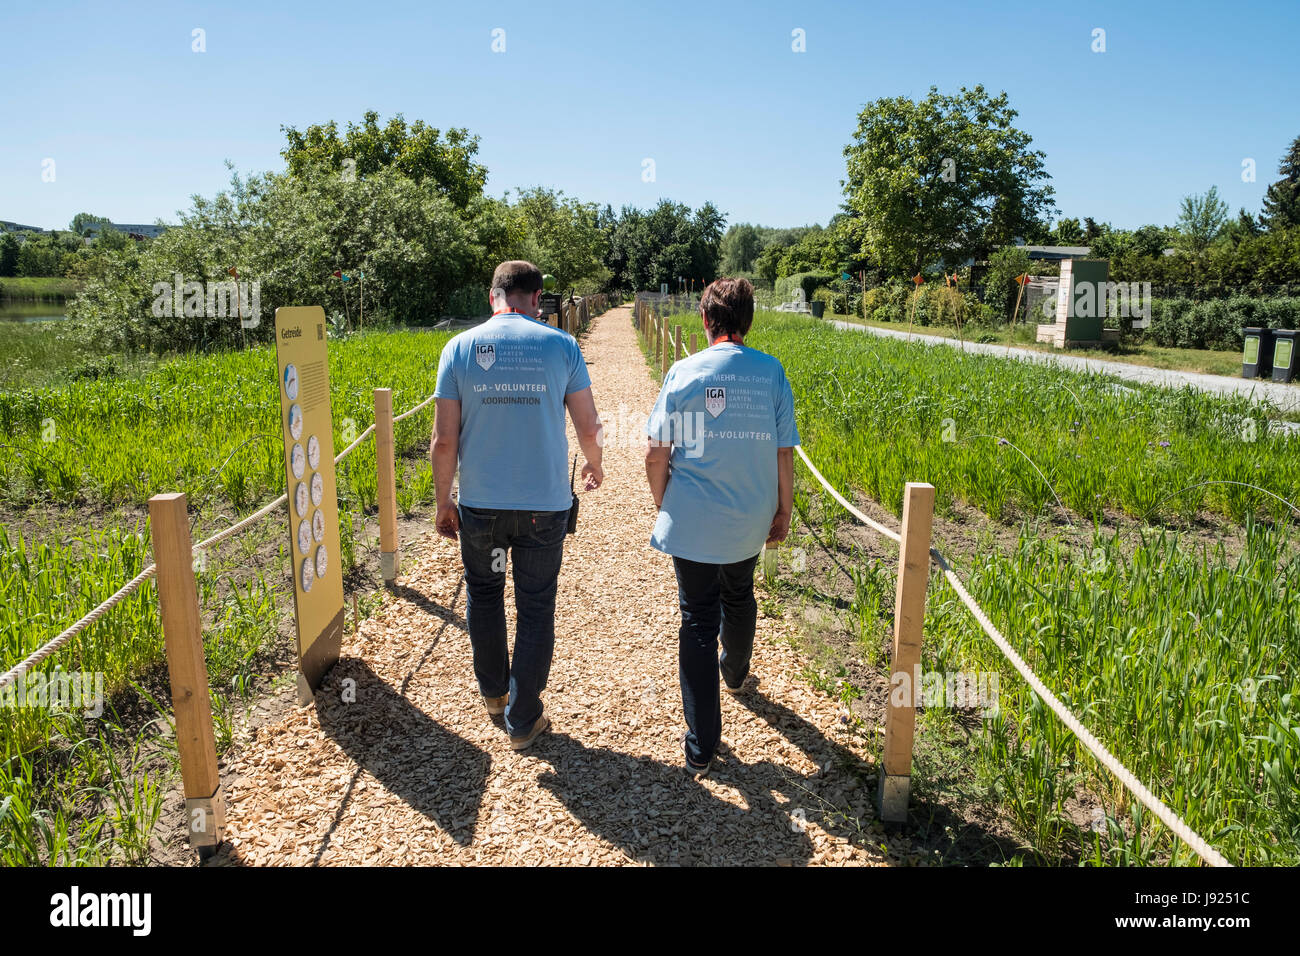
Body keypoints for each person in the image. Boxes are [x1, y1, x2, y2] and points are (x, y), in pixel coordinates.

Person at [432, 261, 604, 751]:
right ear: (536, 299)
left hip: (482, 507)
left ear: (493, 298)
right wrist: (595, 465)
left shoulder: (458, 348)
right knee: (535, 604)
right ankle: (524, 716)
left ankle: (493, 693)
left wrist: (445, 500)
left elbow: (444, 440)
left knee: (484, 595)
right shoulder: (561, 346)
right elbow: (589, 426)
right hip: (542, 508)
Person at [644, 277, 798, 777]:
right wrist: (783, 509)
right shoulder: (771, 373)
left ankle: (701, 746)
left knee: (696, 619)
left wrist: (666, 503)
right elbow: (783, 452)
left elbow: (656, 452)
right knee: (740, 593)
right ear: (749, 321)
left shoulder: (683, 372)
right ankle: (735, 674)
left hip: (692, 518)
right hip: (750, 516)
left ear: (705, 321)